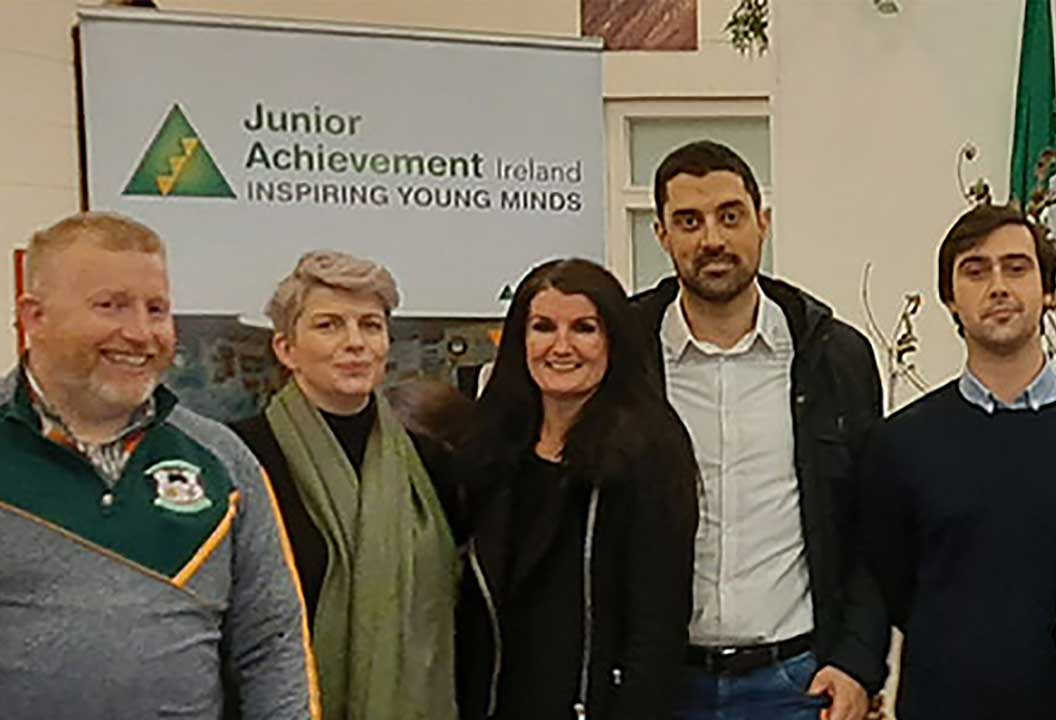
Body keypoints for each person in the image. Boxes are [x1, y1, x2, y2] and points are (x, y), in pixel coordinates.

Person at [1, 212, 319, 719]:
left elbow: (272, 642)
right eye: (111, 306)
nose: (140, 333)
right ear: (34, 316)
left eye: (157, 309)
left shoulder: (223, 460)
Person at [632, 140, 888, 720]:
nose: (712, 239)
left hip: (798, 684)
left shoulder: (834, 356)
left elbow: (872, 526)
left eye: (730, 216)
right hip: (660, 687)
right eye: (689, 221)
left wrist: (857, 663)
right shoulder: (626, 355)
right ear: (662, 236)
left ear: (762, 222)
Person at [861, 202, 1056, 718]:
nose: (998, 286)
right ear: (951, 301)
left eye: (1017, 267)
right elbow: (891, 585)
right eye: (975, 271)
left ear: (1048, 293)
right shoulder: (900, 443)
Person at [456, 258, 699, 720]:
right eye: (543, 327)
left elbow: (657, 629)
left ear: (613, 341)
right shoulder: (489, 445)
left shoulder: (652, 451)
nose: (561, 346)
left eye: (584, 328)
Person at [230, 250, 461, 720]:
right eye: (329, 325)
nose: (354, 342)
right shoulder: (240, 459)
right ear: (286, 349)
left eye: (370, 325)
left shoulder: (431, 463)